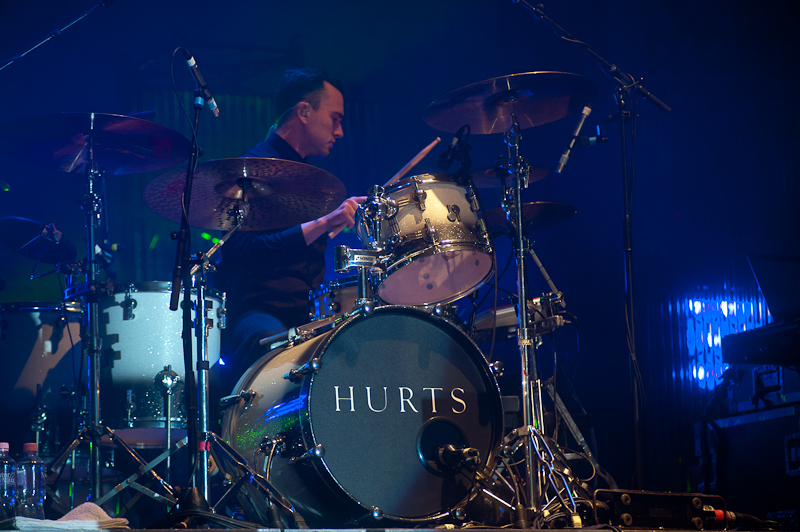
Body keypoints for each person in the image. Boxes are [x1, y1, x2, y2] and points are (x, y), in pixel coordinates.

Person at [214, 68, 365, 397]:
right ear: (304, 112)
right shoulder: (250, 171)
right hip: (255, 314)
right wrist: (322, 223)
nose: (340, 131)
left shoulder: (313, 179)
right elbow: (245, 254)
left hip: (306, 314)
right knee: (282, 350)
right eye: (335, 119)